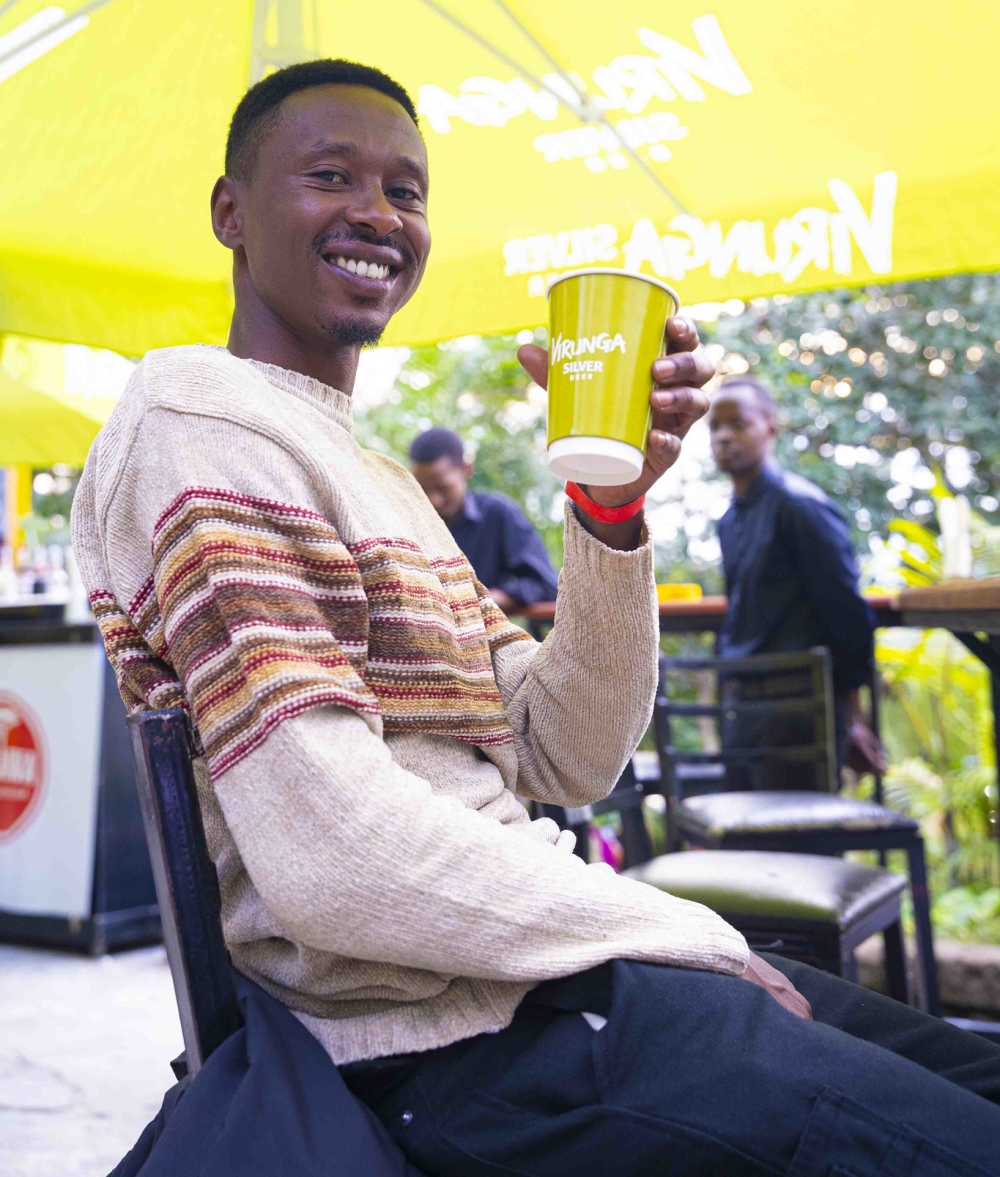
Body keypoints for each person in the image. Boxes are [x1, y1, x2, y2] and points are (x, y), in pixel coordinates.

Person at [72, 59, 1000, 1176]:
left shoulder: (379, 479)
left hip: (555, 981)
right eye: (330, 176)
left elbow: (567, 750)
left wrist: (609, 511)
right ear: (231, 210)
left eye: (406, 191)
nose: (378, 212)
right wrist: (675, 929)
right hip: (445, 1048)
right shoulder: (200, 419)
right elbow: (333, 858)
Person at [709, 376, 886, 779]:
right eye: (715, 426)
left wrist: (852, 717)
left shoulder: (801, 507)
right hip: (742, 711)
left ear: (770, 427)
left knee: (800, 822)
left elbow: (846, 613)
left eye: (738, 423)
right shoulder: (730, 520)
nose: (723, 436)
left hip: (800, 713)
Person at [408, 426, 558, 612]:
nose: (433, 500)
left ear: (466, 469)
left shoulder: (498, 514)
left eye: (442, 487)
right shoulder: (408, 523)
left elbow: (544, 584)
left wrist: (482, 600)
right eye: (422, 489)